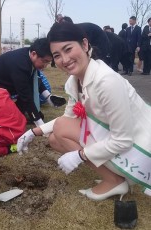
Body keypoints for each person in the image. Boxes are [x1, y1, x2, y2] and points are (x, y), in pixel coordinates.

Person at [17, 22, 151, 201]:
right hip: (116, 139)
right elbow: (68, 117)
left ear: (85, 45)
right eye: (57, 55)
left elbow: (123, 140)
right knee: (55, 139)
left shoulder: (107, 82)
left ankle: (115, 181)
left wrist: (80, 155)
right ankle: (115, 177)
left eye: (68, 49)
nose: (64, 59)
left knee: (62, 130)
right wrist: (33, 132)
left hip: (139, 150)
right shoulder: (74, 81)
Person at [0, 38, 66, 126]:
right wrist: (39, 123)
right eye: (44, 61)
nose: (45, 66)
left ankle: (17, 115)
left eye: (48, 62)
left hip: (8, 85)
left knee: (29, 93)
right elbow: (25, 96)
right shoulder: (20, 65)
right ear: (34, 54)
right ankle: (9, 116)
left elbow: (35, 79)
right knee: (26, 97)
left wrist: (48, 97)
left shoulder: (29, 55)